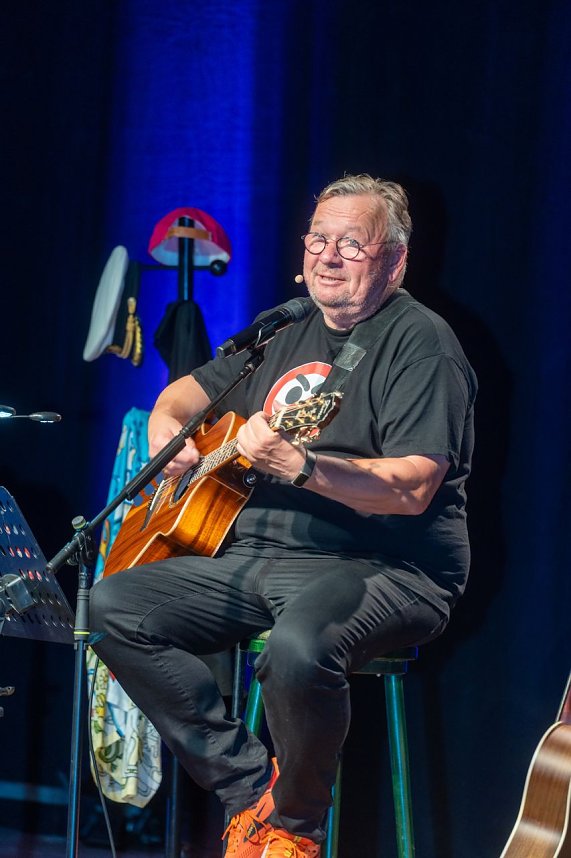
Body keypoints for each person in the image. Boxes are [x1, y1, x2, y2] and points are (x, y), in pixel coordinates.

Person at [89, 173, 477, 858]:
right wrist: (165, 433)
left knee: (298, 651)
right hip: (258, 554)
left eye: (351, 245)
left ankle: (292, 830)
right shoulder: (284, 326)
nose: (328, 257)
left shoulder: (423, 343)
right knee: (113, 605)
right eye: (318, 240)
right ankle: (248, 789)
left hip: (388, 564)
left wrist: (302, 467)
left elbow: (414, 486)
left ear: (395, 259)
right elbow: (184, 393)